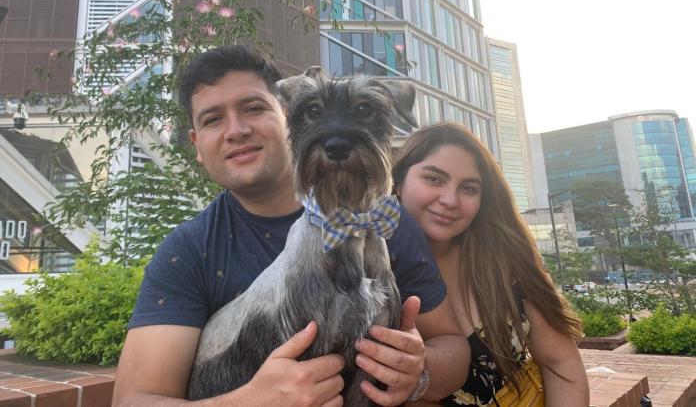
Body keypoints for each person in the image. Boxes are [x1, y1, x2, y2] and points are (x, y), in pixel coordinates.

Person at [113, 46, 470, 406]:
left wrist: (418, 369)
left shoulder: (385, 220)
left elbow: (454, 348)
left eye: (253, 108)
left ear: (288, 117)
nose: (236, 130)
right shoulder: (188, 251)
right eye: (212, 119)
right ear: (197, 146)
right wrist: (250, 402)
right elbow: (133, 401)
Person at [392, 123, 589, 406]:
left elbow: (561, 364)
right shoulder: (364, 272)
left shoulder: (503, 259)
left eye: (468, 188)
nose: (450, 200)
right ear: (398, 182)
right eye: (434, 179)